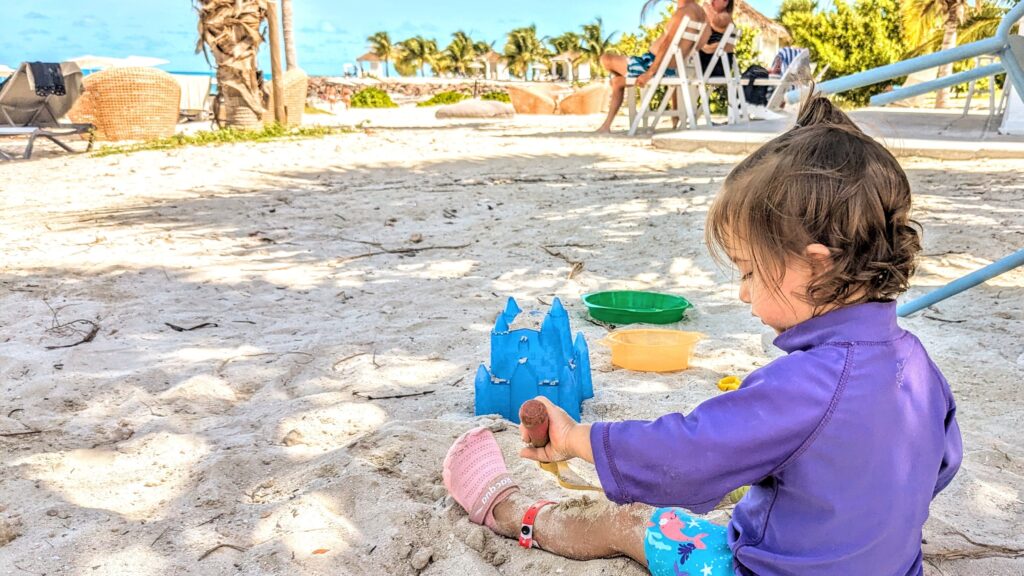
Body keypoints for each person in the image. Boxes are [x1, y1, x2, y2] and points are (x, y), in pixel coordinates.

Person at [443, 94, 963, 576]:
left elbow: (684, 456)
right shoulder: (917, 364)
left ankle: (508, 511)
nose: (742, 294)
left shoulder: (804, 384)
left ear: (814, 267)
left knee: (629, 523)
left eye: (748, 271)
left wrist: (577, 439)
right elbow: (940, 467)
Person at [596, 0, 707, 133]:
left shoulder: (682, 12)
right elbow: (705, 37)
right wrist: (684, 55)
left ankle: (606, 125)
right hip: (670, 68)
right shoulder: (701, 13)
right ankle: (606, 125)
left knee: (606, 59)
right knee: (617, 81)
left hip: (651, 65)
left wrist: (650, 72)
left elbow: (666, 44)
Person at [698, 0, 735, 78]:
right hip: (713, 63)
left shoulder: (726, 17)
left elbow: (715, 20)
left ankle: (670, 68)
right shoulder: (713, 21)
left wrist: (705, 6)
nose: (712, 1)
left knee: (683, 55)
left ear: (726, 2)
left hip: (718, 66)